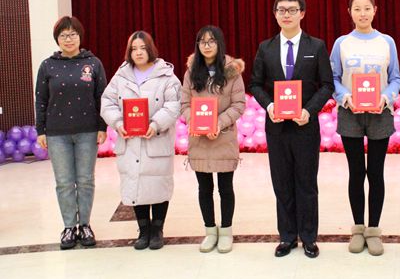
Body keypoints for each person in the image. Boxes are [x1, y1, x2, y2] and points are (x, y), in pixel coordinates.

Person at [249, 0, 334, 258]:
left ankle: (308, 237)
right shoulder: (266, 48)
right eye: (281, 10)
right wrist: (270, 106)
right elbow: (255, 84)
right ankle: (287, 237)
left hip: (305, 126)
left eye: (292, 10)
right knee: (282, 183)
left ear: (302, 13)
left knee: (306, 183)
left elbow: (327, 85)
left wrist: (309, 111)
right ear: (275, 14)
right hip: (277, 127)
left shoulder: (316, 46)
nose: (287, 15)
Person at [329, 0, 400, 256]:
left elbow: (395, 78)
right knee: (356, 172)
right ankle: (358, 228)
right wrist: (345, 98)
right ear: (349, 12)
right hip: (350, 113)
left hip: (380, 113)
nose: (362, 13)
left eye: (367, 8)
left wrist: (386, 98)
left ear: (375, 10)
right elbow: (333, 77)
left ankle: (373, 230)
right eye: (357, 9)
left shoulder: (386, 42)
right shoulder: (342, 43)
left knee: (376, 172)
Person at [101, 31, 181, 250]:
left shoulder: (166, 75)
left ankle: (157, 229)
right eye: (134, 48)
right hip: (130, 142)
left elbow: (174, 104)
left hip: (156, 139)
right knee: (135, 184)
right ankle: (143, 229)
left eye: (143, 48)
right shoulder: (121, 76)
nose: (138, 52)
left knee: (158, 184)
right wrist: (118, 123)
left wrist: (155, 124)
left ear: (151, 49)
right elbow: (107, 102)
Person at [35, 16, 107, 250]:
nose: (68, 39)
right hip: (57, 134)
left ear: (80, 37)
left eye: (73, 34)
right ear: (57, 39)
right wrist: (41, 130)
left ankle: (84, 225)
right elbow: (41, 100)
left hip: (87, 131)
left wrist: (102, 126)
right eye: (63, 35)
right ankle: (69, 227)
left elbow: (102, 97)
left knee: (85, 180)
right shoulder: (48, 65)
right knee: (64, 182)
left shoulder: (93, 63)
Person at [181, 25, 246, 253]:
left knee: (225, 188)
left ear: (219, 44)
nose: (207, 46)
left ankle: (226, 231)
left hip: (223, 137)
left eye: (211, 41)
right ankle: (210, 231)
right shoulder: (191, 72)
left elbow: (239, 104)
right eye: (202, 42)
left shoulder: (232, 71)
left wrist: (218, 123)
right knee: (204, 188)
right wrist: (194, 122)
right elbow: (184, 104)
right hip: (199, 139)